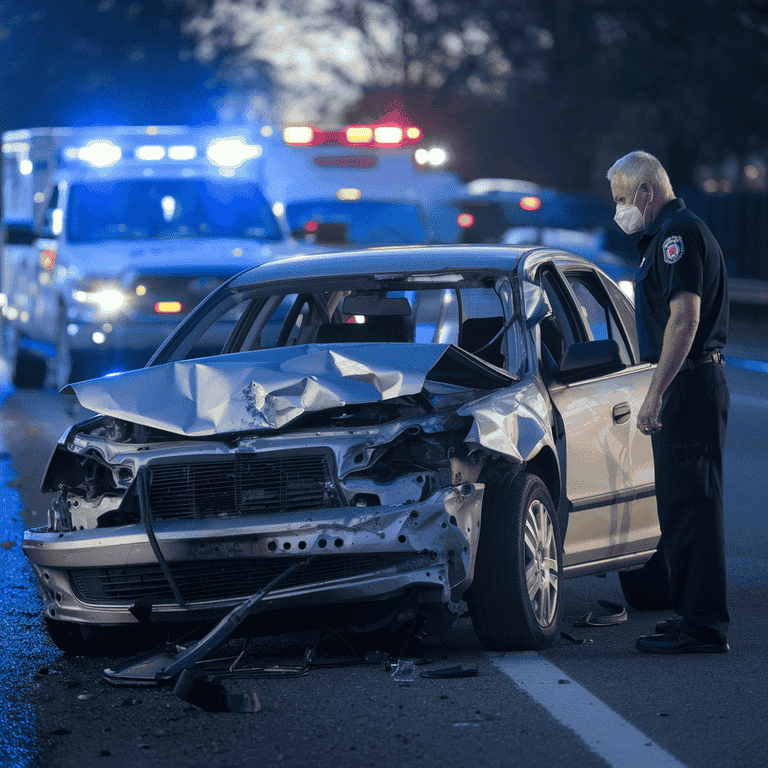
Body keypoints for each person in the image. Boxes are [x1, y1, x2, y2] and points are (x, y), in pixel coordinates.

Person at [606, 150, 730, 654]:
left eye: (620, 198)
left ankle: (703, 626)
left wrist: (655, 394)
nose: (617, 209)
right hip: (689, 381)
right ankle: (691, 617)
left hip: (688, 383)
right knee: (681, 507)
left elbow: (685, 318)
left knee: (693, 508)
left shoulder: (677, 236)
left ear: (645, 193)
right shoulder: (666, 235)